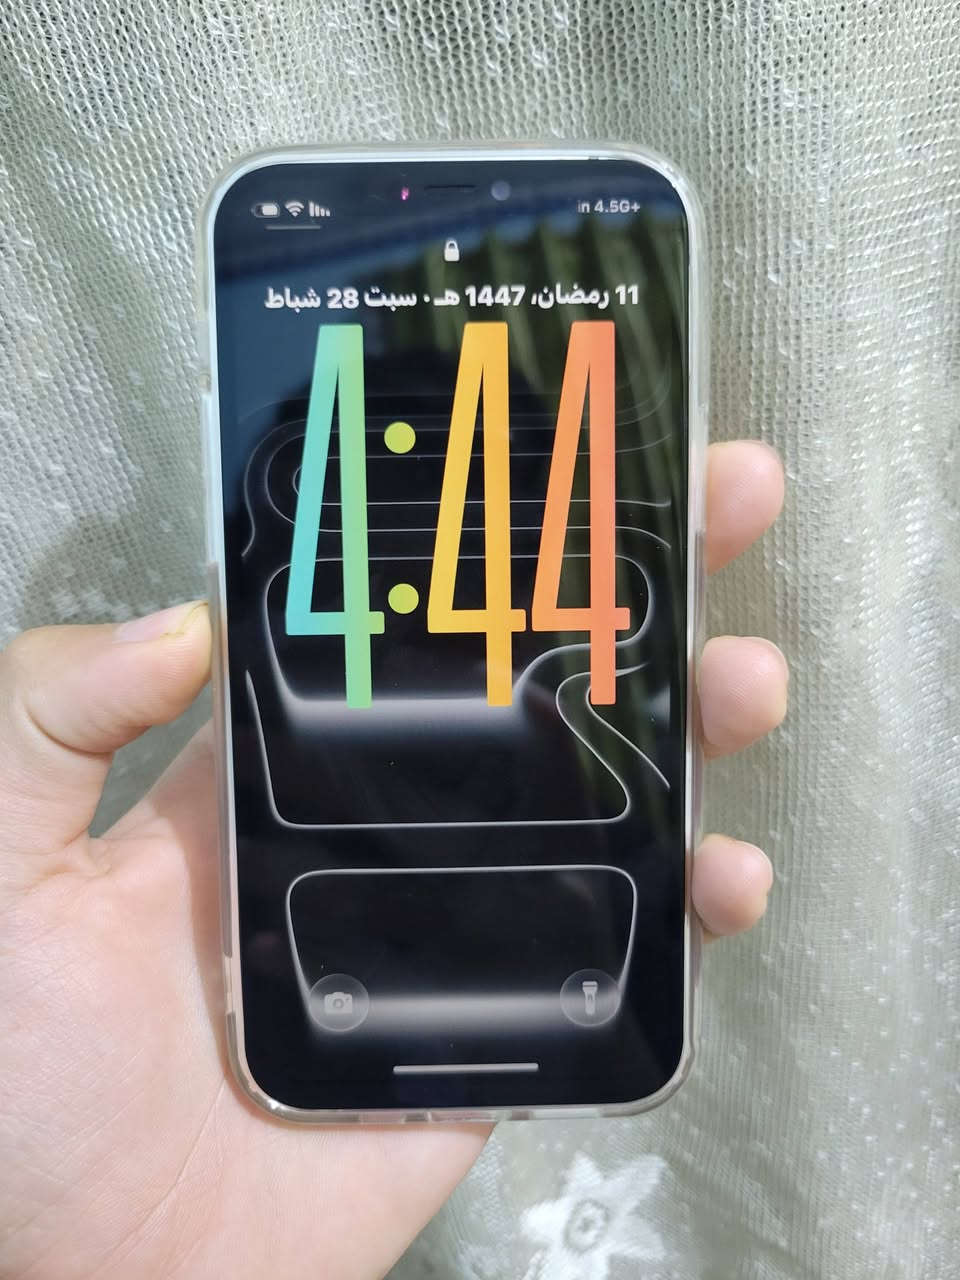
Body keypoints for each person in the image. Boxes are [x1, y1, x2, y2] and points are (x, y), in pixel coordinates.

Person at [0, 440, 786, 1279]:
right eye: (384, 610)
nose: (431, 668)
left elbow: (613, 1011)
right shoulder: (277, 785)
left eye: (480, 611)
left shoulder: (566, 773)